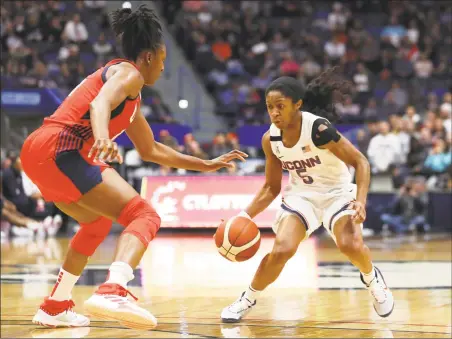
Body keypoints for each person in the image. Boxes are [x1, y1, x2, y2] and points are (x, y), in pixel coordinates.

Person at [20, 5, 247, 330]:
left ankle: (55, 304)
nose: (163, 68)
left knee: (96, 225)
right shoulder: (129, 73)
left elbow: (151, 149)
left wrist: (205, 164)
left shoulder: (131, 97)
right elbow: (99, 104)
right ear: (150, 56)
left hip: (41, 153)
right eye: (164, 60)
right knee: (145, 215)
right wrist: (102, 139)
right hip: (61, 149)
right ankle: (114, 289)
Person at [220, 68, 394, 323]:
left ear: (297, 105)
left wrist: (361, 200)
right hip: (302, 196)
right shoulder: (271, 139)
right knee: (281, 249)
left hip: (337, 193)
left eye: (280, 106)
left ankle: (372, 278)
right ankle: (247, 298)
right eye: (270, 107)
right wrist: (244, 216)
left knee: (350, 245)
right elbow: (271, 187)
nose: (275, 112)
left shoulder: (319, 129)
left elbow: (360, 161)